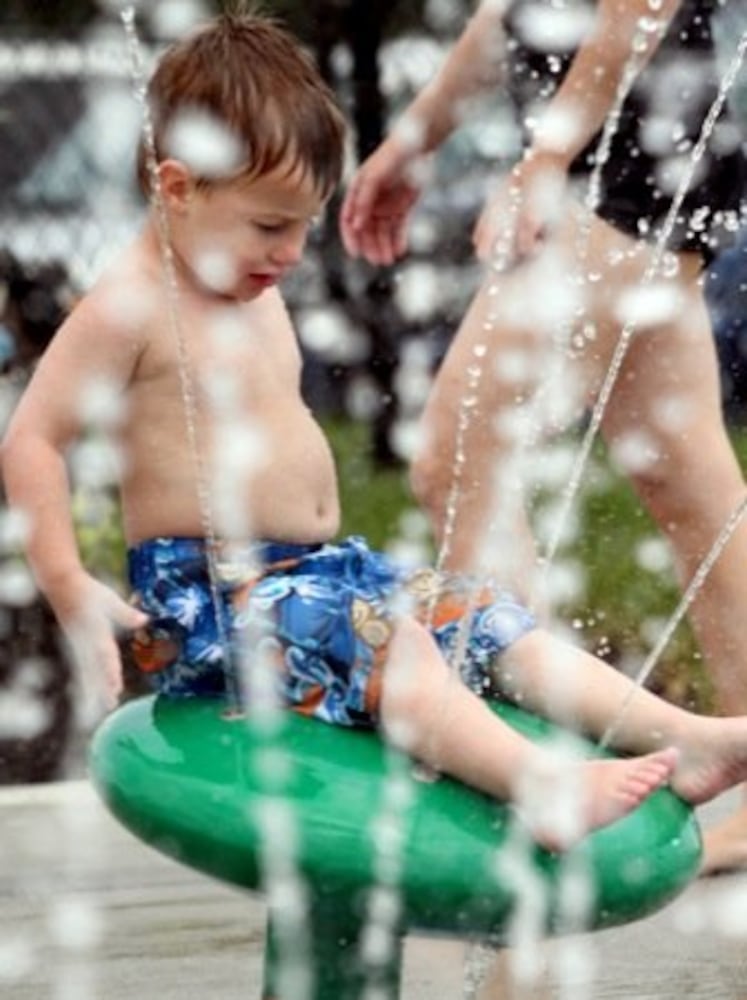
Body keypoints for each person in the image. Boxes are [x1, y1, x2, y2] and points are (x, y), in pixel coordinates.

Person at [4, 8, 747, 859]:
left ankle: (679, 734)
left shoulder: (244, 280)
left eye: (303, 227)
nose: (290, 254)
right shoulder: (127, 306)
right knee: (390, 638)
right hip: (211, 604)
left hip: (311, 576)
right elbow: (31, 439)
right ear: (177, 187)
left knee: (481, 616)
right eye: (269, 226)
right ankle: (540, 787)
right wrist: (67, 584)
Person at [340, 0, 747, 872]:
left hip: (622, 162)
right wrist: (416, 140)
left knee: (459, 464)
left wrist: (547, 155)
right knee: (694, 492)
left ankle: (530, 769)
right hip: (651, 156)